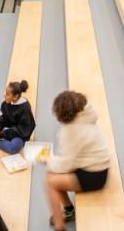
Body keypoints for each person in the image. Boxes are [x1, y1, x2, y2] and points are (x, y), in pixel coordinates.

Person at [44, 91, 111, 231]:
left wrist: (48, 160)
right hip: (95, 165)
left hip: (95, 175)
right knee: (52, 175)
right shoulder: (86, 114)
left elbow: (67, 164)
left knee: (50, 182)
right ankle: (69, 211)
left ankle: (59, 226)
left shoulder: (73, 131)